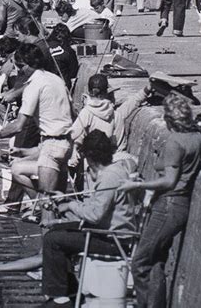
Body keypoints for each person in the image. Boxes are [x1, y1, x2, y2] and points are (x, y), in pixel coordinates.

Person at [119, 93, 201, 308]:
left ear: (169, 120)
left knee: (140, 263)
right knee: (156, 260)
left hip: (169, 205)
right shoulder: (198, 139)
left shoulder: (174, 143)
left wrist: (137, 185)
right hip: (180, 206)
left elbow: (169, 181)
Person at [41, 131, 137, 308]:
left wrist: (70, 206)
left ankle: (59, 298)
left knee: (52, 240)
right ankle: (69, 292)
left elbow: (94, 215)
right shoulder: (116, 170)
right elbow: (97, 208)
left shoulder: (109, 177)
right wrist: (66, 201)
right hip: (109, 233)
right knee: (57, 230)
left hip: (113, 240)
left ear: (90, 157)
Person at [0, 43, 73, 200]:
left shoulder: (34, 86)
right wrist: (23, 151)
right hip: (65, 143)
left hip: (52, 146)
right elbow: (71, 113)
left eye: (18, 66)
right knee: (57, 199)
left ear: (25, 66)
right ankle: (43, 210)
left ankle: (39, 208)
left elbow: (19, 124)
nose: (18, 71)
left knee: (42, 195)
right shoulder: (56, 79)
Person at [46, 23, 79, 89]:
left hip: (46, 84)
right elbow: (73, 72)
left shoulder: (44, 46)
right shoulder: (69, 51)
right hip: (62, 85)